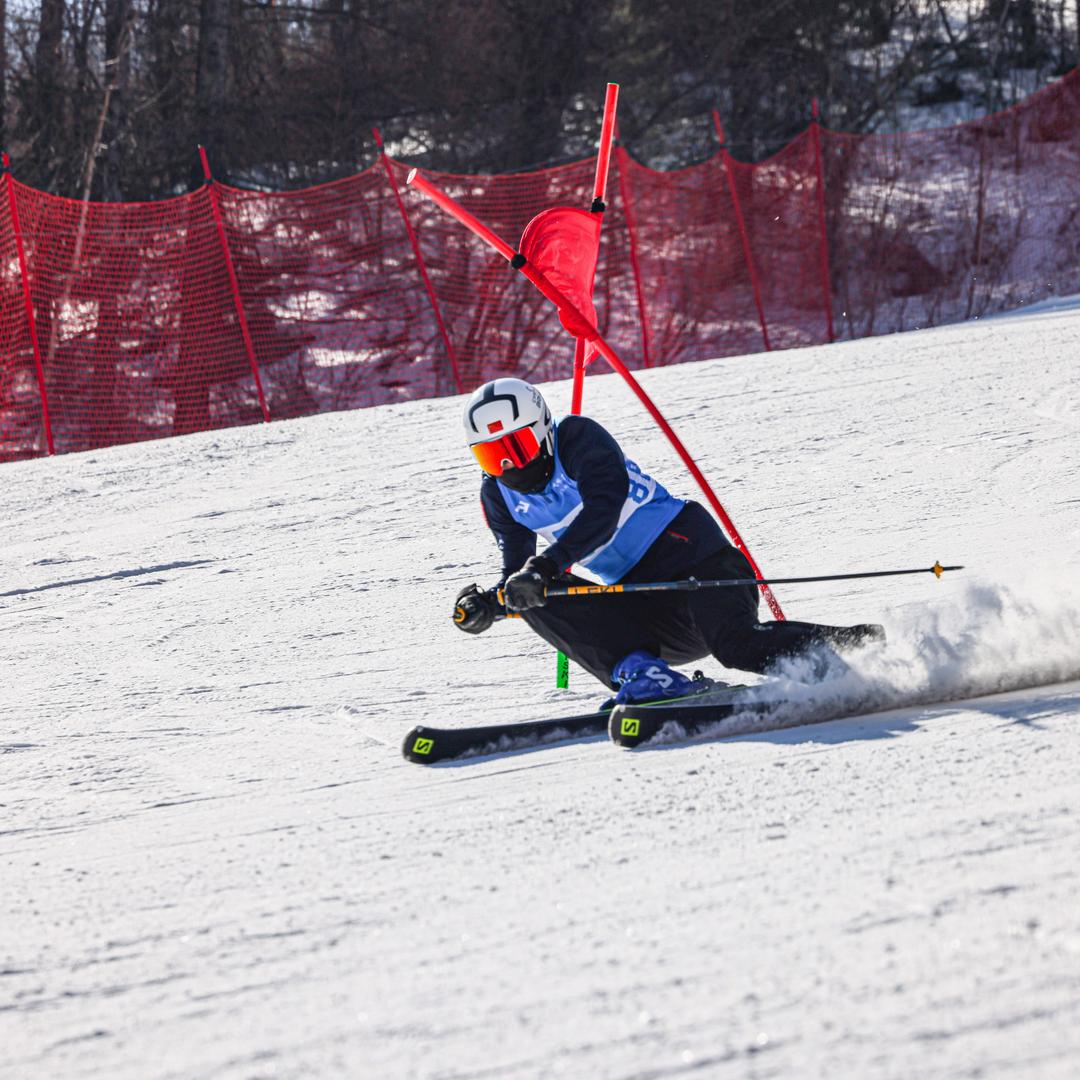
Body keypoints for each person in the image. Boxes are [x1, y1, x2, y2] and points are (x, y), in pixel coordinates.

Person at [453, 377, 883, 705]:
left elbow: (602, 511)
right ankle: (645, 676)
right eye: (492, 456)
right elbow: (518, 575)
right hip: (642, 604)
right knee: (536, 594)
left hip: (696, 560)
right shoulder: (498, 494)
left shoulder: (578, 439)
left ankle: (852, 660)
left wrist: (544, 567)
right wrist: (491, 604)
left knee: (736, 647)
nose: (509, 465)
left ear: (543, 429)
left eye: (517, 446)